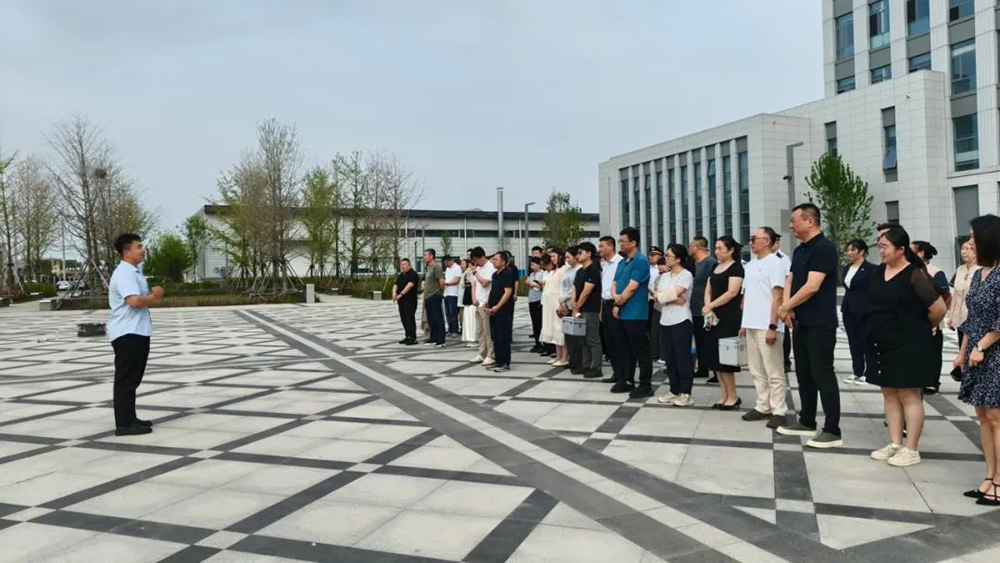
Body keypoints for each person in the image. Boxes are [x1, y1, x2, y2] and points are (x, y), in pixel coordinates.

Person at [865, 227, 947, 468]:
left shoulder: (915, 274)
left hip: (910, 342)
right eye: (879, 246)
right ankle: (895, 443)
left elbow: (939, 309)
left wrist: (921, 326)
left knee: (908, 395)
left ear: (901, 249)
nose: (880, 251)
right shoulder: (879, 272)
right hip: (883, 341)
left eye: (885, 247)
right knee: (889, 393)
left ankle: (911, 448)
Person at [777, 203, 843, 448]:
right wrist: (787, 307)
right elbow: (791, 279)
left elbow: (813, 286)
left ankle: (832, 430)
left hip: (820, 322)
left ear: (810, 221)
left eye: (794, 221)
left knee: (822, 374)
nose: (791, 226)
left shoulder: (824, 248)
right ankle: (807, 420)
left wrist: (785, 306)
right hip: (801, 321)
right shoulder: (800, 250)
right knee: (803, 373)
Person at [955, 214, 1000, 505]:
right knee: (983, 417)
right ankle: (989, 476)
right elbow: (973, 318)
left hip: (993, 354)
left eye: (973, 236)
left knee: (996, 418)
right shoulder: (978, 273)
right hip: (976, 354)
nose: (969, 241)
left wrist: (981, 347)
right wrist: (963, 351)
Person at [108, 233, 163, 436]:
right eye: (138, 246)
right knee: (126, 379)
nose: (143, 249)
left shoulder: (133, 271)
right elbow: (134, 301)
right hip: (127, 332)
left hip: (136, 331)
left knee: (132, 379)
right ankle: (124, 424)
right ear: (126, 252)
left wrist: (150, 297)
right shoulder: (125, 273)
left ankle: (130, 418)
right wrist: (154, 296)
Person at [736, 228, 788, 427]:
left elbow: (778, 296)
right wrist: (743, 324)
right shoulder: (750, 265)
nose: (750, 242)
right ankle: (763, 405)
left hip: (767, 325)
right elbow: (746, 297)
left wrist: (773, 325)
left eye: (753, 239)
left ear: (766, 241)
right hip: (751, 324)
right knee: (756, 369)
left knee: (774, 370)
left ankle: (779, 410)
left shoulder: (776, 263)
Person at [703, 235, 745, 409]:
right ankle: (724, 394)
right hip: (713, 316)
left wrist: (711, 305)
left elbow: (732, 292)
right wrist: (708, 307)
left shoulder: (736, 267)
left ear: (731, 250)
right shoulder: (715, 266)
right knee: (715, 358)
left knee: (726, 358)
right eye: (716, 248)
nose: (717, 252)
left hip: (728, 317)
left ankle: (733, 396)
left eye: (721, 248)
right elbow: (708, 289)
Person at [612, 227, 653, 398]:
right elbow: (615, 283)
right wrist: (615, 297)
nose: (620, 244)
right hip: (622, 312)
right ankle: (627, 380)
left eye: (623, 241)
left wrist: (618, 302)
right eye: (620, 241)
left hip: (636, 313)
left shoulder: (640, 261)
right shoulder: (622, 262)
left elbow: (632, 286)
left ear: (633, 242)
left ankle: (645, 385)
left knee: (640, 351)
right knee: (624, 349)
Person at [654, 244, 696, 406]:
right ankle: (674, 390)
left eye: (669, 256)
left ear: (678, 259)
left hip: (681, 320)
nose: (666, 258)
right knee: (670, 358)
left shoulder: (686, 275)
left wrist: (665, 297)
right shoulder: (665, 276)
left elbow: (667, 295)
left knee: (682, 357)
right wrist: (668, 298)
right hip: (665, 319)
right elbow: (657, 295)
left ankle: (686, 392)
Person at [912, 240, 952, 394]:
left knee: (933, 351)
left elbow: (946, 295)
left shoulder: (935, 272)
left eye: (911, 250)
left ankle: (931, 382)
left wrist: (939, 317)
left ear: (921, 253)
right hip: (915, 320)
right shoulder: (910, 270)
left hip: (933, 319)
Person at [841, 239, 874, 385]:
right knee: (853, 341)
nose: (849, 253)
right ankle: (857, 371)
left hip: (864, 309)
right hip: (848, 309)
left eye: (853, 250)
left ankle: (869, 372)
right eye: (848, 250)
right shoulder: (846, 268)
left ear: (862, 252)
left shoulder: (871, 269)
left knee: (865, 341)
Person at [572, 242, 604, 378]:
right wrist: (574, 303)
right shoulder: (580, 271)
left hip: (590, 309)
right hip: (580, 308)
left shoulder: (593, 270)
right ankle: (586, 365)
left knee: (592, 339)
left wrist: (577, 305)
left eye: (581, 252)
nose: (578, 255)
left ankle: (596, 367)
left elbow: (587, 291)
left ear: (589, 254)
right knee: (583, 339)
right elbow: (574, 288)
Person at [689, 237, 718, 380]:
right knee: (700, 340)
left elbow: (712, 284)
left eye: (691, 245)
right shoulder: (694, 263)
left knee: (709, 341)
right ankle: (702, 368)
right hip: (694, 308)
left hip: (705, 307)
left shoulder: (710, 262)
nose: (689, 248)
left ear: (699, 247)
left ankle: (716, 370)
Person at [600, 236, 624, 384]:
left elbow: (620, 285)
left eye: (602, 246)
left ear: (611, 246)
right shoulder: (605, 264)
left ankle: (623, 375)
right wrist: (601, 308)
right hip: (605, 304)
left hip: (616, 303)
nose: (600, 249)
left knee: (618, 341)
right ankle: (616, 372)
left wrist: (617, 305)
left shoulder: (620, 262)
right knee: (609, 341)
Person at [486, 252, 516, 372]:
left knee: (503, 336)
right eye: (493, 259)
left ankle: (505, 363)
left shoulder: (507, 273)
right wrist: (487, 302)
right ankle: (498, 361)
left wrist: (498, 306)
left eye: (496, 259)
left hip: (503, 310)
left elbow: (507, 292)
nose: (493, 261)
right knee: (495, 336)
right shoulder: (495, 274)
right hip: (493, 310)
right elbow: (493, 290)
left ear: (503, 261)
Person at [469, 247, 496, 366]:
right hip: (478, 303)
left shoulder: (490, 267)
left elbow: (485, 283)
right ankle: (482, 353)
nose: (475, 263)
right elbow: (474, 284)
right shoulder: (478, 268)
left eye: (476, 260)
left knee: (487, 331)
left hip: (486, 303)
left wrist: (476, 272)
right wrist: (474, 298)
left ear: (481, 257)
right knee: (480, 331)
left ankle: (491, 355)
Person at [542, 248, 569, 367]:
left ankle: (565, 357)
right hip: (549, 304)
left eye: (554, 256)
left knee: (560, 329)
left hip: (558, 302)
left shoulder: (564, 270)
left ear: (560, 256)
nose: (552, 258)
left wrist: (562, 303)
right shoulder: (553, 270)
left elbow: (564, 288)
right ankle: (558, 355)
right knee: (553, 329)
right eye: (551, 256)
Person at [949, 240, 979, 346]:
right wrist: (951, 316)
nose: (963, 252)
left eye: (967, 249)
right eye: (962, 249)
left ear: (976, 252)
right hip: (960, 319)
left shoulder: (981, 270)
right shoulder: (959, 269)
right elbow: (955, 295)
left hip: (974, 320)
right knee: (962, 348)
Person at [771, 236, 794, 372]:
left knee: (783, 332)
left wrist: (785, 303)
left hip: (780, 300)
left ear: (778, 243)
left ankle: (785, 361)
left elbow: (787, 280)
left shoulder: (782, 258)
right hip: (770, 300)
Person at [563, 246, 583, 373]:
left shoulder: (579, 270)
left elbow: (573, 289)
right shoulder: (568, 270)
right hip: (566, 304)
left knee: (576, 337)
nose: (566, 259)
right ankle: (571, 360)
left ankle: (577, 362)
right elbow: (563, 287)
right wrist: (562, 302)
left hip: (574, 304)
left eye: (568, 257)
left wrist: (565, 298)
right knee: (568, 336)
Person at [422, 249, 446, 347]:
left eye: (425, 255)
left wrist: (440, 293)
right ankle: (433, 337)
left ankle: (441, 339)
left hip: (435, 295)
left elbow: (441, 281)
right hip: (428, 296)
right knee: (431, 319)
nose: (424, 257)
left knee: (437, 318)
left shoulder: (436, 267)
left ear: (431, 256)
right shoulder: (428, 267)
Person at [392, 258, 419, 345]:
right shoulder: (401, 275)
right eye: (401, 265)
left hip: (410, 300)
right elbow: (395, 284)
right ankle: (407, 335)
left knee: (409, 318)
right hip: (401, 301)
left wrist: (401, 294)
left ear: (409, 265)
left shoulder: (413, 274)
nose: (402, 266)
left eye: (404, 264)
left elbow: (410, 285)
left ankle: (412, 337)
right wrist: (394, 293)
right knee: (404, 318)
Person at [647, 246, 664, 363]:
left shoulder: (662, 271)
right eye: (650, 255)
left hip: (661, 300)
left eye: (654, 255)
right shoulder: (648, 269)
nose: (651, 257)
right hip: (650, 300)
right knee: (651, 328)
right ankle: (653, 351)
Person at [527, 257, 545, 352]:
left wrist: (532, 283)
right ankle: (537, 343)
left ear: (539, 265)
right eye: (531, 265)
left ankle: (542, 343)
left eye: (534, 265)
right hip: (532, 300)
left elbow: (542, 287)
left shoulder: (542, 274)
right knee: (534, 323)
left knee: (539, 323)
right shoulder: (531, 274)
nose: (532, 267)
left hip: (539, 300)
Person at [443, 255, 462, 337]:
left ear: (450, 260)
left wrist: (447, 283)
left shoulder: (457, 268)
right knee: (447, 313)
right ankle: (450, 329)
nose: (445, 265)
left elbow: (457, 280)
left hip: (453, 293)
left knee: (453, 312)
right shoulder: (447, 269)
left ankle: (455, 330)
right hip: (446, 293)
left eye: (446, 263)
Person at [461, 259, 479, 346]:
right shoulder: (465, 274)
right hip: (467, 299)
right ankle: (469, 338)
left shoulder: (477, 274)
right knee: (467, 320)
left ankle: (475, 338)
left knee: (474, 320)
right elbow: (462, 285)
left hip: (474, 300)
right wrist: (465, 275)